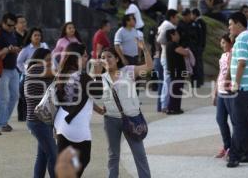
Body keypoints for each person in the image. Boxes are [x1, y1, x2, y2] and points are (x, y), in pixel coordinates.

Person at [98, 43, 152, 178]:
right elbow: (86, 95)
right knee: (113, 155)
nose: (106, 59)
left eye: (109, 56)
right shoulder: (100, 78)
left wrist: (144, 49)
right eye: (103, 57)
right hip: (110, 120)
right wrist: (98, 109)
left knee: (139, 155)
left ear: (117, 59)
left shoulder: (128, 70)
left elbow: (149, 67)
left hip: (131, 118)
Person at [54, 43, 104, 177]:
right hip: (76, 125)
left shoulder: (62, 74)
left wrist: (97, 109)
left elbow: (80, 98)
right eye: (84, 56)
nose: (87, 58)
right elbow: (98, 93)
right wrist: (98, 74)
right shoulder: (81, 77)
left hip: (61, 123)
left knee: (64, 164)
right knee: (83, 159)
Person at [226, 12, 248, 168]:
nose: (229, 27)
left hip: (244, 87)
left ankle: (234, 156)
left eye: (230, 24)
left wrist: (235, 84)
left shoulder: (241, 39)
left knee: (239, 122)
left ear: (239, 24)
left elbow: (241, 63)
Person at [24, 48, 57, 178]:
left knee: (43, 155)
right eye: (47, 59)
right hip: (38, 121)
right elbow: (58, 73)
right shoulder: (35, 68)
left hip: (41, 120)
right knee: (53, 155)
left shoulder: (41, 71)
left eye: (51, 59)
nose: (50, 62)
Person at [0, 13, 21, 132]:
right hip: (2, 69)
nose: (11, 28)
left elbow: (14, 46)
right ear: (3, 22)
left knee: (15, 95)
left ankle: (2, 120)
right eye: (9, 25)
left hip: (13, 68)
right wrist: (7, 50)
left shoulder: (12, 33)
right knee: (3, 98)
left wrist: (14, 49)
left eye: (13, 26)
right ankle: (1, 123)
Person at [212, 34, 233, 158]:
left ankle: (234, 147)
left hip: (230, 92)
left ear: (230, 43)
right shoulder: (223, 56)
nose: (222, 45)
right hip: (221, 92)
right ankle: (227, 146)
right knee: (220, 119)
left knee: (235, 121)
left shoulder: (233, 54)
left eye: (224, 42)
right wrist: (215, 91)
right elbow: (220, 73)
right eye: (221, 43)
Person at [156, 9, 179, 113]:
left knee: (166, 81)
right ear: (172, 17)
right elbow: (159, 39)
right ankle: (164, 105)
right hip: (167, 56)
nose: (177, 19)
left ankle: (164, 105)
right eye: (176, 17)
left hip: (165, 55)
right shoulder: (168, 25)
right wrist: (169, 44)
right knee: (167, 81)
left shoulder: (164, 24)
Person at [165, 29, 188, 114]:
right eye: (177, 34)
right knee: (176, 90)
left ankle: (174, 107)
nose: (178, 36)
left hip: (175, 71)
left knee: (176, 90)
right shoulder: (173, 44)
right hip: (176, 71)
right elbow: (185, 53)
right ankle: (173, 108)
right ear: (172, 35)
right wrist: (186, 50)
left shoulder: (169, 44)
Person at [191, 8, 207, 87]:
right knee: (199, 64)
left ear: (194, 14)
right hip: (201, 46)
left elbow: (199, 36)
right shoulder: (202, 22)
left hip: (198, 47)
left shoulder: (198, 23)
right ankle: (200, 81)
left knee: (197, 64)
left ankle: (198, 81)